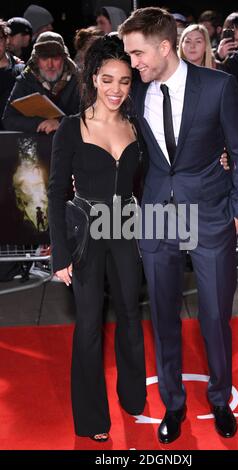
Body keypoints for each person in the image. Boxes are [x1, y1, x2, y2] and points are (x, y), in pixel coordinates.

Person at [119, 7, 238, 443]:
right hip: (158, 214)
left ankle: (219, 398)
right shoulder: (138, 94)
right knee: (162, 317)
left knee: (215, 317)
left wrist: (235, 212)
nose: (133, 63)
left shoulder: (218, 87)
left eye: (138, 54)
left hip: (212, 215)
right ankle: (173, 405)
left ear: (163, 47)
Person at [48, 35, 147, 442]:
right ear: (93, 78)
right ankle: (91, 419)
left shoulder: (137, 126)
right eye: (108, 79)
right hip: (86, 231)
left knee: (128, 316)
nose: (116, 90)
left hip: (125, 228)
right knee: (89, 326)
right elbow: (56, 193)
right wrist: (60, 254)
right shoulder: (72, 128)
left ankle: (132, 396)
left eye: (124, 81)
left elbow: (165, 169)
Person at [2, 31, 80, 133]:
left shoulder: (79, 81)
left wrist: (60, 123)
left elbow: (93, 117)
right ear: (36, 60)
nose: (50, 65)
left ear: (64, 59)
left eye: (55, 58)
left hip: (71, 145)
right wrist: (41, 123)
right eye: (44, 58)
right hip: (38, 145)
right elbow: (8, 119)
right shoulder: (26, 80)